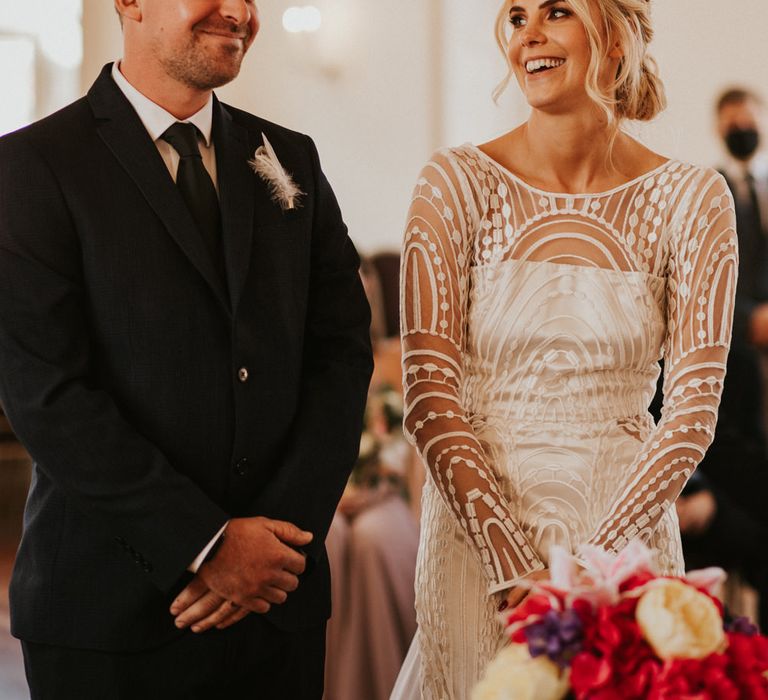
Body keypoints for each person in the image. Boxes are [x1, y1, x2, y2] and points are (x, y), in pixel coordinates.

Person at [0, 1, 372, 698]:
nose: (237, 12)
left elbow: (342, 354)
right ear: (130, 4)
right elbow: (46, 393)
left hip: (275, 608)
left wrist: (275, 547)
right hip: (110, 611)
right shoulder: (29, 166)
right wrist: (205, 544)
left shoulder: (290, 155)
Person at [393, 0, 737, 697]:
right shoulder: (454, 184)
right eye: (517, 16)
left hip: (626, 541)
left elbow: (693, 414)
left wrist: (592, 569)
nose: (531, 36)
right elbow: (430, 399)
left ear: (615, 35)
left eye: (557, 11)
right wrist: (514, 566)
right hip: (479, 551)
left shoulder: (693, 198)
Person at [671, 87, 768, 630]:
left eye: (750, 117)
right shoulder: (713, 192)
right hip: (735, 350)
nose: (743, 125)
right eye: (733, 118)